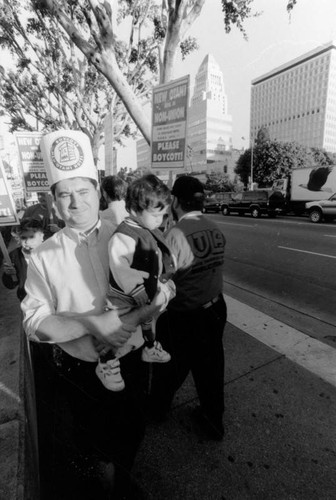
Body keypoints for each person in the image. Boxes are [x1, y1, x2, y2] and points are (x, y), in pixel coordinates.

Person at [21, 130, 169, 500]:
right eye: (65, 194)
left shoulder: (126, 235)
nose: (75, 202)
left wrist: (163, 295)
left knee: (133, 427)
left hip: (132, 361)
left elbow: (159, 284)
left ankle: (122, 473)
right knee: (92, 442)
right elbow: (34, 323)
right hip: (80, 373)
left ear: (96, 193)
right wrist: (91, 323)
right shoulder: (43, 255)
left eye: (83, 191)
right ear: (54, 203)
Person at [149, 175, 227, 441]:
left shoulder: (174, 235)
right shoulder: (215, 227)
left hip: (186, 315)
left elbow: (162, 280)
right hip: (216, 307)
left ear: (174, 201)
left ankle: (158, 410)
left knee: (169, 367)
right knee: (212, 369)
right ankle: (213, 422)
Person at [96, 174, 176, 391]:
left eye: (163, 214)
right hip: (124, 296)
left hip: (146, 290)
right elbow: (119, 265)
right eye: (156, 214)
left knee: (148, 322)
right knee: (119, 329)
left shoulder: (147, 229)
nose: (160, 220)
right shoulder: (124, 234)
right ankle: (106, 361)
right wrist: (137, 287)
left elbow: (156, 256)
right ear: (134, 209)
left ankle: (150, 347)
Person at [2, 218, 44, 301]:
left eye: (32, 237)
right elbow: (10, 285)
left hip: (50, 300)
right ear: (18, 239)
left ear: (42, 236)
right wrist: (9, 274)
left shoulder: (51, 253)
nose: (27, 242)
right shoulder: (14, 255)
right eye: (23, 238)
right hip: (26, 299)